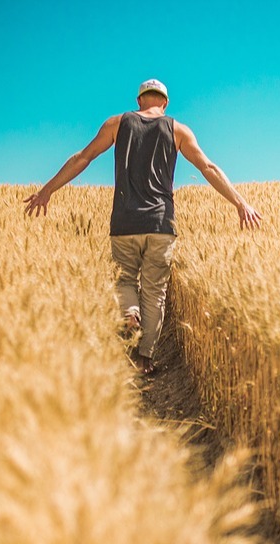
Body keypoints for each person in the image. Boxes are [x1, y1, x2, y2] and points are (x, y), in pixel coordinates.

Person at [23, 78, 261, 374]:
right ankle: (145, 358)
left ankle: (130, 312)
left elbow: (83, 158)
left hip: (124, 222)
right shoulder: (178, 130)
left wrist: (48, 189)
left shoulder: (116, 123)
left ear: (139, 101)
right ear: (165, 102)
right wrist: (241, 203)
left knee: (124, 281)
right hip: (161, 225)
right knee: (155, 292)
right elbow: (208, 168)